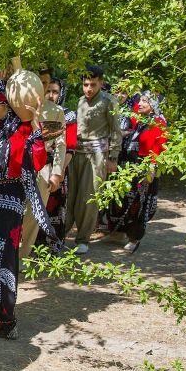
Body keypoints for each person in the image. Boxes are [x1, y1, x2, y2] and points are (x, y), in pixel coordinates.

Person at [0, 81, 55, 340]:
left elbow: (38, 160)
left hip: (8, 199)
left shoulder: (22, 129)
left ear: (8, 104)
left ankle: (2, 317)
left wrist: (34, 126)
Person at [64, 65, 122, 254]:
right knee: (71, 195)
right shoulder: (80, 101)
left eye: (93, 85)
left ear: (101, 83)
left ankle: (83, 239)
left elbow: (116, 131)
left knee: (88, 197)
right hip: (76, 154)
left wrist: (113, 157)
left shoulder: (109, 102)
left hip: (97, 155)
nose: (88, 89)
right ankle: (61, 234)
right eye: (85, 84)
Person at [103, 91, 168, 252]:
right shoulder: (138, 119)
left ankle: (135, 237)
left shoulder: (158, 122)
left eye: (146, 101)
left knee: (140, 204)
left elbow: (158, 148)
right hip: (127, 166)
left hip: (144, 167)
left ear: (154, 106)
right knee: (122, 200)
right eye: (141, 100)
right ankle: (119, 232)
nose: (140, 104)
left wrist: (151, 168)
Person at [19, 80, 70, 260]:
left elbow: (59, 144)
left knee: (33, 214)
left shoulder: (53, 110)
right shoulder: (14, 103)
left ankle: (22, 256)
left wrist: (57, 172)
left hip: (41, 168)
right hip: (14, 166)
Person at [35, 78, 77, 246]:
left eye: (55, 92)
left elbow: (67, 148)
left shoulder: (66, 114)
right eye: (48, 91)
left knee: (55, 207)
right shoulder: (36, 111)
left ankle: (53, 245)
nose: (51, 95)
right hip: (38, 167)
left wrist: (57, 173)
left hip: (55, 168)